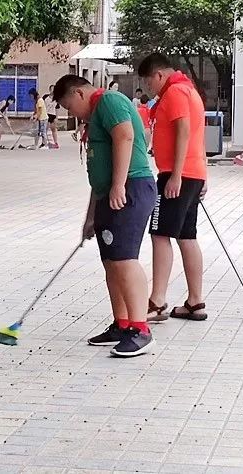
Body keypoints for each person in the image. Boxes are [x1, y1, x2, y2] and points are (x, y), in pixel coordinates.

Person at [52, 75, 157, 357]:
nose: (70, 113)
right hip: (110, 193)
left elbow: (125, 136)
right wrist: (91, 216)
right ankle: (122, 324)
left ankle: (141, 329)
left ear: (79, 93)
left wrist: (119, 185)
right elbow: (98, 175)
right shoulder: (97, 113)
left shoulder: (110, 101)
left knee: (124, 259)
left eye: (68, 105)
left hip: (131, 187)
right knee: (111, 261)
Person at [137, 53, 208, 323]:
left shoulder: (176, 92)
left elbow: (184, 131)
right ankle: (195, 302)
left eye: (148, 82)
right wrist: (202, 173)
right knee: (187, 236)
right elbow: (197, 135)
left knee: (160, 233)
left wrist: (175, 176)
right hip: (193, 172)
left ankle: (157, 301)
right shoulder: (188, 90)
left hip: (177, 175)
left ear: (159, 75)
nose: (148, 88)